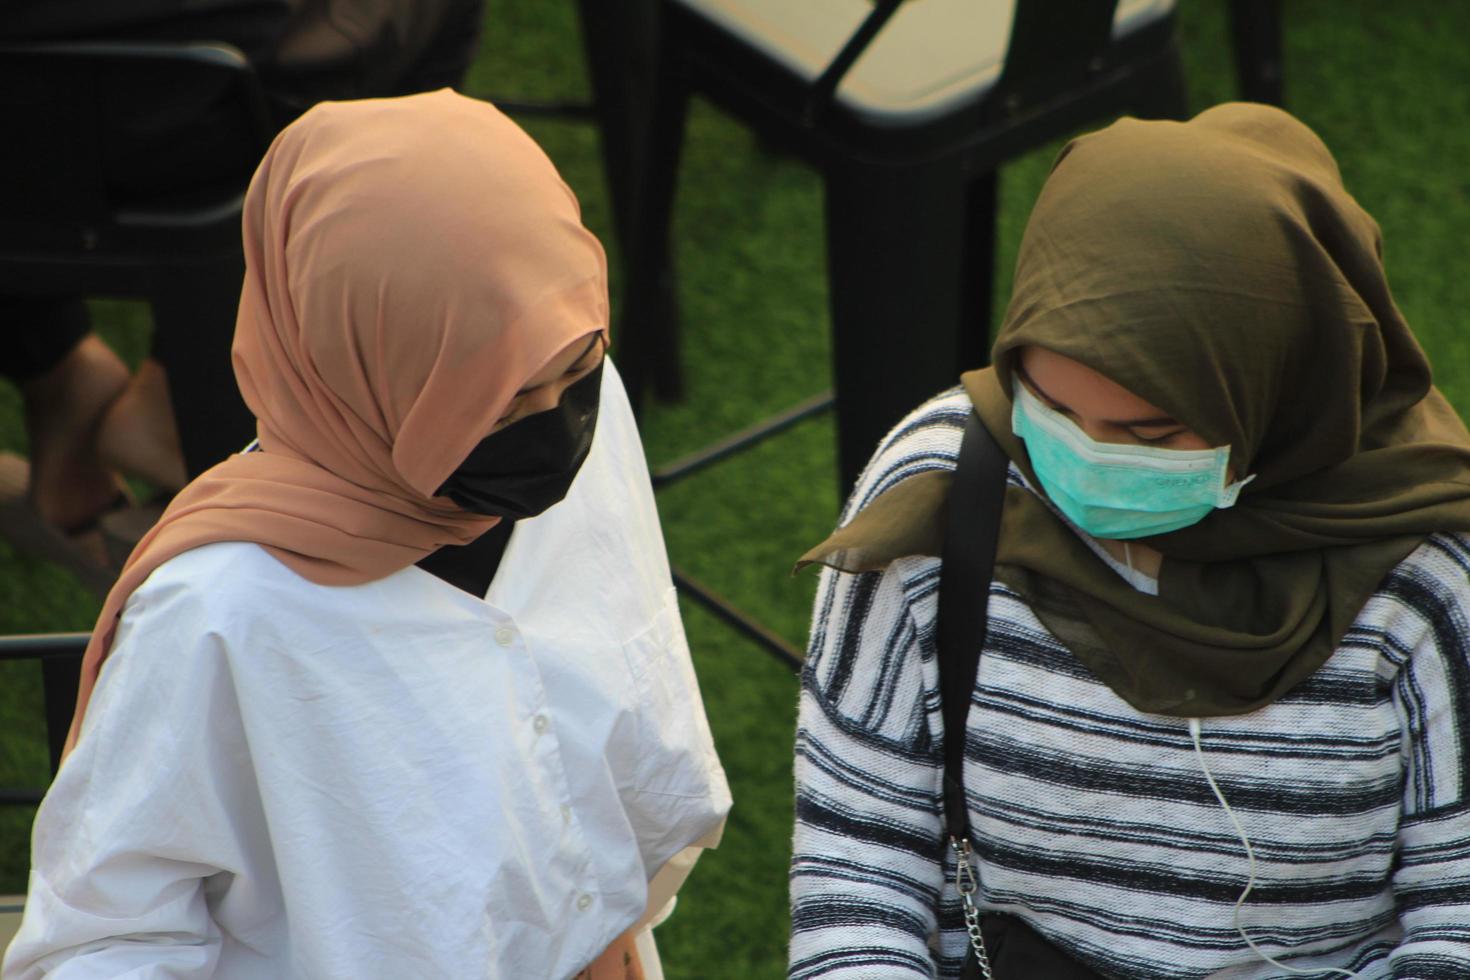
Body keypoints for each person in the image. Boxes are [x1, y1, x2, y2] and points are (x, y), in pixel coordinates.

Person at [2, 90, 730, 979]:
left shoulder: (585, 395)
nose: (558, 424)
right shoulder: (220, 614)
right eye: (500, 404)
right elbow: (104, 940)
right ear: (366, 365)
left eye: (575, 367)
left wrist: (602, 923)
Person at [789, 103, 1470, 979]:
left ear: (1281, 394)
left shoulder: (1428, 574)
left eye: (1150, 436)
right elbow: (857, 862)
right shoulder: (942, 498)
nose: (1089, 460)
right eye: (1052, 410)